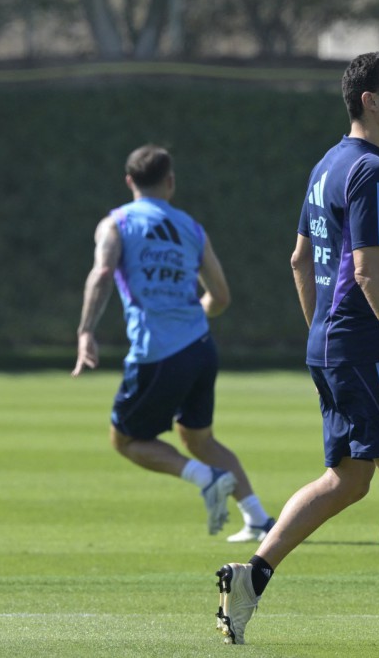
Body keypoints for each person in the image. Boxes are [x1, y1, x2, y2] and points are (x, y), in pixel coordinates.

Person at [213, 51, 379, 647]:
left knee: (349, 477)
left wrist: (322, 336)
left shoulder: (328, 163)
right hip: (368, 349)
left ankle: (251, 576)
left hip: (333, 346)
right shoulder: (373, 172)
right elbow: (368, 273)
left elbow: (300, 260)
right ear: (371, 102)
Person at [71, 144, 274, 543]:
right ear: (170, 182)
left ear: (130, 181)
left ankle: (207, 478)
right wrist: (193, 314)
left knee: (126, 439)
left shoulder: (117, 223)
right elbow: (220, 297)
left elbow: (102, 273)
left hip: (158, 351)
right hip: (201, 347)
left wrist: (85, 331)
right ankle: (259, 519)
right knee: (199, 438)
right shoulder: (191, 228)